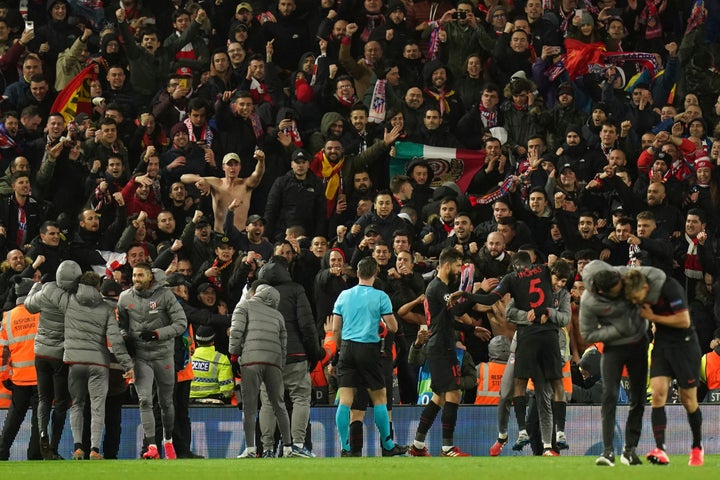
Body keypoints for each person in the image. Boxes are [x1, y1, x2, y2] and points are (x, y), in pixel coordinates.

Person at [460, 252, 570, 456]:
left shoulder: (562, 294)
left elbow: (564, 319)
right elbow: (510, 313)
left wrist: (547, 314)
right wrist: (533, 317)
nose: (559, 285)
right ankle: (502, 436)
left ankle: (547, 445)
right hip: (521, 344)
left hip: (545, 344)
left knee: (543, 396)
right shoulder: (526, 285)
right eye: (557, 280)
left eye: (563, 281)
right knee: (505, 392)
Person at [579, 260, 662, 467]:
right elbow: (587, 333)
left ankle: (630, 450)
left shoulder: (626, 276)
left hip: (639, 345)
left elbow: (658, 276)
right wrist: (617, 331)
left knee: (638, 398)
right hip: (613, 348)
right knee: (609, 396)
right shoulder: (589, 300)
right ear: (602, 291)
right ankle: (608, 452)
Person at [622, 268, 704, 467]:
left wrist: (654, 317)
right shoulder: (637, 293)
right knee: (657, 394)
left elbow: (684, 321)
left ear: (645, 287)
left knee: (689, 400)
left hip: (684, 345)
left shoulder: (670, 288)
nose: (637, 302)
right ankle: (660, 449)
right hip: (662, 344)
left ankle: (696, 448)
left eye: (638, 297)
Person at [408, 247, 484, 457]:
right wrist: (475, 294)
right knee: (452, 394)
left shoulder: (437, 288)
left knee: (438, 398)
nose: (460, 270)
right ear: (448, 264)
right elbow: (457, 309)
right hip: (441, 347)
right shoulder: (438, 288)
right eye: (458, 266)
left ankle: (417, 445)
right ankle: (447, 447)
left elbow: (449, 319)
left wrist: (471, 329)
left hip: (440, 345)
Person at [331, 256, 407, 457]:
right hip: (369, 349)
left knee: (346, 399)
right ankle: (388, 446)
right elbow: (393, 326)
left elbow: (335, 329)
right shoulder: (381, 296)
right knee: (379, 398)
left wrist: (341, 349)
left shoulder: (343, 296)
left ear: (357, 273)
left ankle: (346, 447)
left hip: (346, 349)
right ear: (375, 273)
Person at [61, 271, 134, 460]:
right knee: (99, 408)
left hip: (75, 362)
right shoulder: (108, 310)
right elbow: (117, 341)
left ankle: (78, 447)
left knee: (78, 405)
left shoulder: (69, 301)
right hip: (101, 365)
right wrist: (127, 364)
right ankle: (95, 450)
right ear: (98, 288)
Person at [117, 263, 187, 460]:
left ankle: (168, 441)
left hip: (163, 356)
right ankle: (152, 446)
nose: (136, 279)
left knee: (166, 403)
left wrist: (157, 334)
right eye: (134, 275)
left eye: (140, 275)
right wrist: (124, 335)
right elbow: (121, 324)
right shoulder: (125, 298)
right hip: (141, 357)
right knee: (145, 400)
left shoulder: (165, 295)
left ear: (150, 277)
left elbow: (181, 323)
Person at [24, 260, 82, 460]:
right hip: (60, 355)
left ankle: (43, 434)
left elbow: (28, 305)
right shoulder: (74, 298)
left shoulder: (46, 290)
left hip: (41, 352)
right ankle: (54, 446)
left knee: (43, 399)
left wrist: (35, 285)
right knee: (61, 401)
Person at [230, 282, 292, 459]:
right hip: (273, 363)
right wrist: (279, 364)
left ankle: (250, 449)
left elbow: (236, 331)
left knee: (250, 408)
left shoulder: (244, 305)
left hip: (251, 361)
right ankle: (287, 447)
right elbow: (283, 345)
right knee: (279, 405)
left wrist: (234, 355)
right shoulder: (278, 315)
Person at [0, 278, 41, 461]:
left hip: (18, 378)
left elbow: (2, 352)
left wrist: (4, 377)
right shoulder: (42, 312)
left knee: (13, 419)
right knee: (38, 421)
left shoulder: (7, 317)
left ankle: (1, 451)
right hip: (41, 377)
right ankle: (34, 455)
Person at [181, 150, 265, 232]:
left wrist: (261, 161)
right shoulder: (217, 183)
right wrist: (201, 180)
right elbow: (183, 177)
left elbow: (258, 174)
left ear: (240, 167)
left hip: (240, 235)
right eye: (230, 164)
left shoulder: (246, 184)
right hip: (219, 235)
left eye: (236, 164)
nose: (233, 168)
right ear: (223, 167)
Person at [189, 325, 234, 403]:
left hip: (189, 399)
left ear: (196, 341)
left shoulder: (189, 357)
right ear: (213, 341)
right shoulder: (221, 359)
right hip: (214, 400)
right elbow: (227, 390)